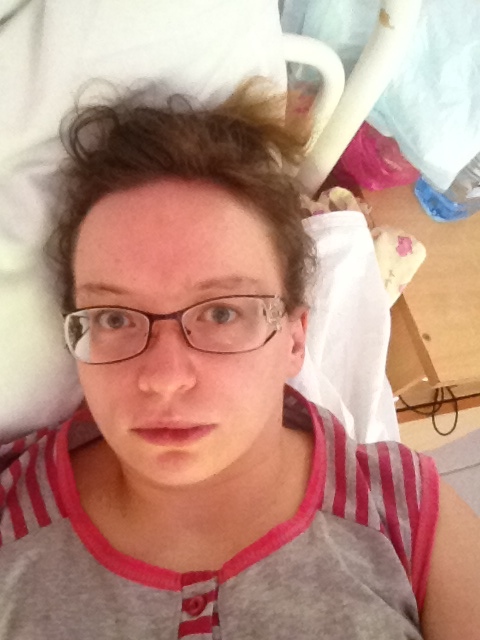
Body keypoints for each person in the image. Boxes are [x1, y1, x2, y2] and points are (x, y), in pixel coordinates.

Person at [0, 79, 479, 640]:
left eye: (222, 313)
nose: (164, 379)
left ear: (295, 339)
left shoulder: (408, 514)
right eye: (113, 318)